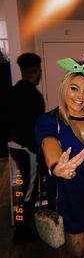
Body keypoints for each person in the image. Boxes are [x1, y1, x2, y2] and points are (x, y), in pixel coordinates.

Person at [35, 58, 84, 258]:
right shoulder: (50, 120)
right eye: (74, 89)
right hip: (71, 198)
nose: (80, 97)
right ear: (64, 88)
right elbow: (49, 142)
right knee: (76, 253)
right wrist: (57, 165)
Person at [8, 52, 45, 243]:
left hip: (14, 146)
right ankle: (21, 230)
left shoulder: (12, 91)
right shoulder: (34, 96)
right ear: (36, 71)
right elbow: (35, 129)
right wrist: (37, 150)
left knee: (24, 188)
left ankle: (21, 224)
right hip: (28, 149)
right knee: (28, 191)